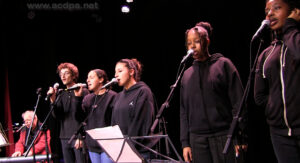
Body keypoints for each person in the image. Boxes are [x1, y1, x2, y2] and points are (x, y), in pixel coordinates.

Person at [180, 21, 246, 163]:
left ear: (207, 41)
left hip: (224, 136)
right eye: (189, 43)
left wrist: (240, 135)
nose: (192, 46)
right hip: (197, 141)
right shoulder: (186, 75)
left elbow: (238, 102)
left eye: (197, 41)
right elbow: (184, 111)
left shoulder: (223, 65)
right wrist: (185, 143)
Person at [254, 0, 300, 162]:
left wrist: (291, 26)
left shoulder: (296, 41)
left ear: (294, 12)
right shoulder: (266, 54)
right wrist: (275, 110)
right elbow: (259, 96)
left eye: (277, 8)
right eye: (267, 10)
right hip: (280, 134)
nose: (270, 14)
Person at [111, 58, 155, 160]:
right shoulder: (119, 96)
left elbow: (140, 123)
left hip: (138, 152)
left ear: (131, 72)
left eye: (120, 71)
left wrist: (128, 149)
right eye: (115, 72)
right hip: (121, 150)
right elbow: (114, 123)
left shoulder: (143, 92)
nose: (116, 75)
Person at [47, 62, 89, 163]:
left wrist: (81, 136)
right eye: (61, 74)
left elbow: (86, 116)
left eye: (66, 73)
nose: (63, 76)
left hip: (78, 137)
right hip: (64, 137)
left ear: (73, 75)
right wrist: (53, 100)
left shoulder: (83, 91)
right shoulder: (61, 93)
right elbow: (57, 115)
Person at [82, 69, 116, 163]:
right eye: (87, 78)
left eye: (91, 77)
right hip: (92, 146)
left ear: (101, 79)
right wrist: (77, 98)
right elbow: (81, 119)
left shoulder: (112, 96)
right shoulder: (87, 99)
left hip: (108, 145)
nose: (88, 80)